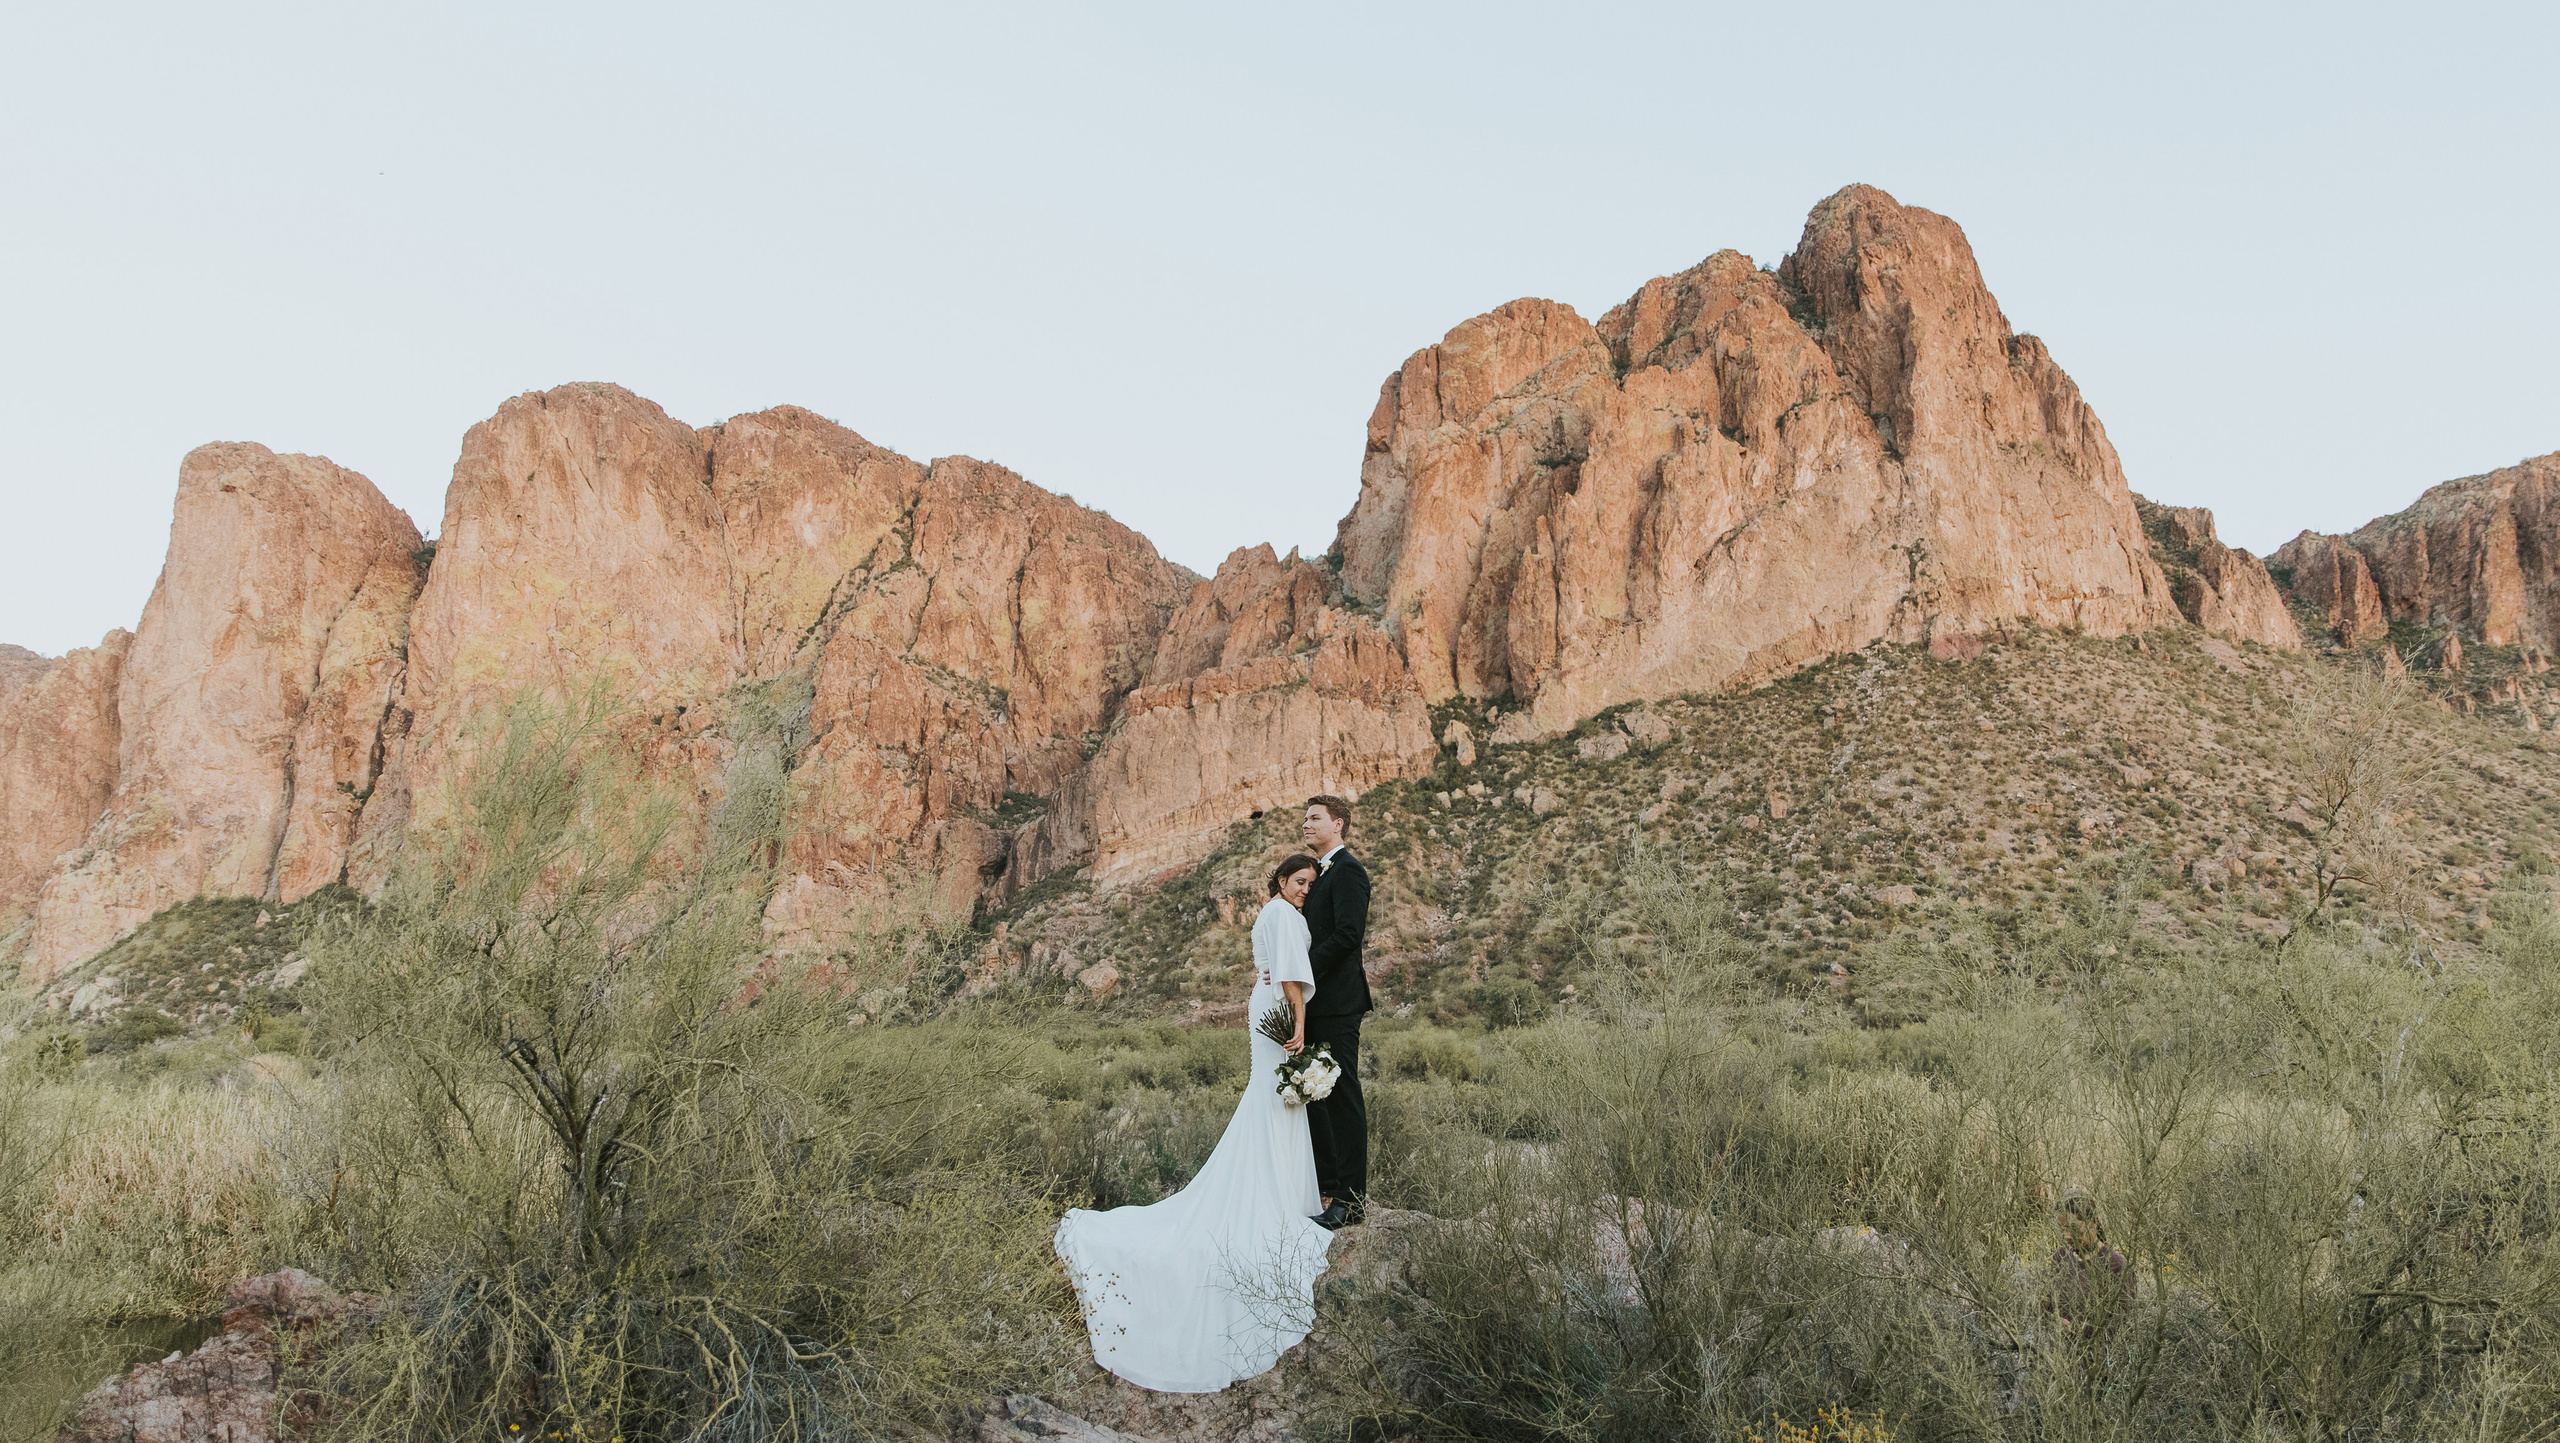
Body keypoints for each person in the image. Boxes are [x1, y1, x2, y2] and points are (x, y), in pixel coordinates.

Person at [1052, 855, 1332, 1393]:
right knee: (1276, 1098)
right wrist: (1300, 1024)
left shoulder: (1273, 912)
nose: (1304, 892)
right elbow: (1294, 975)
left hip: (1263, 1005)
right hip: (1278, 1011)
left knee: (1273, 1098)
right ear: (1281, 880)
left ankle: (1279, 1195)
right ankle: (1276, 1201)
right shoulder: (1283, 914)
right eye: (1300, 882)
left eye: (1310, 886)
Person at [1299, 795, 1371, 1230]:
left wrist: (1301, 972)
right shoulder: (1319, 874)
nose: (1305, 825)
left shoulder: (1349, 872)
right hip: (1313, 1003)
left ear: (1338, 825)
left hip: (1339, 1002)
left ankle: (1352, 1200)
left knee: (1343, 1097)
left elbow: (1348, 935)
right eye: (1305, 818)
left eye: (1314, 818)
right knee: (1315, 1096)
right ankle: (1328, 1188)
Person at [2043, 1191, 2135, 1340]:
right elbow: (2052, 1303)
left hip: (2096, 1357)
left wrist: (2076, 1329)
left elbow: (2122, 1324)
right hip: (2059, 1356)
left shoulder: (2115, 1264)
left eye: (2073, 1228)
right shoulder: (2060, 1257)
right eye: (2063, 1229)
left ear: (2094, 1222)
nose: (2066, 1236)